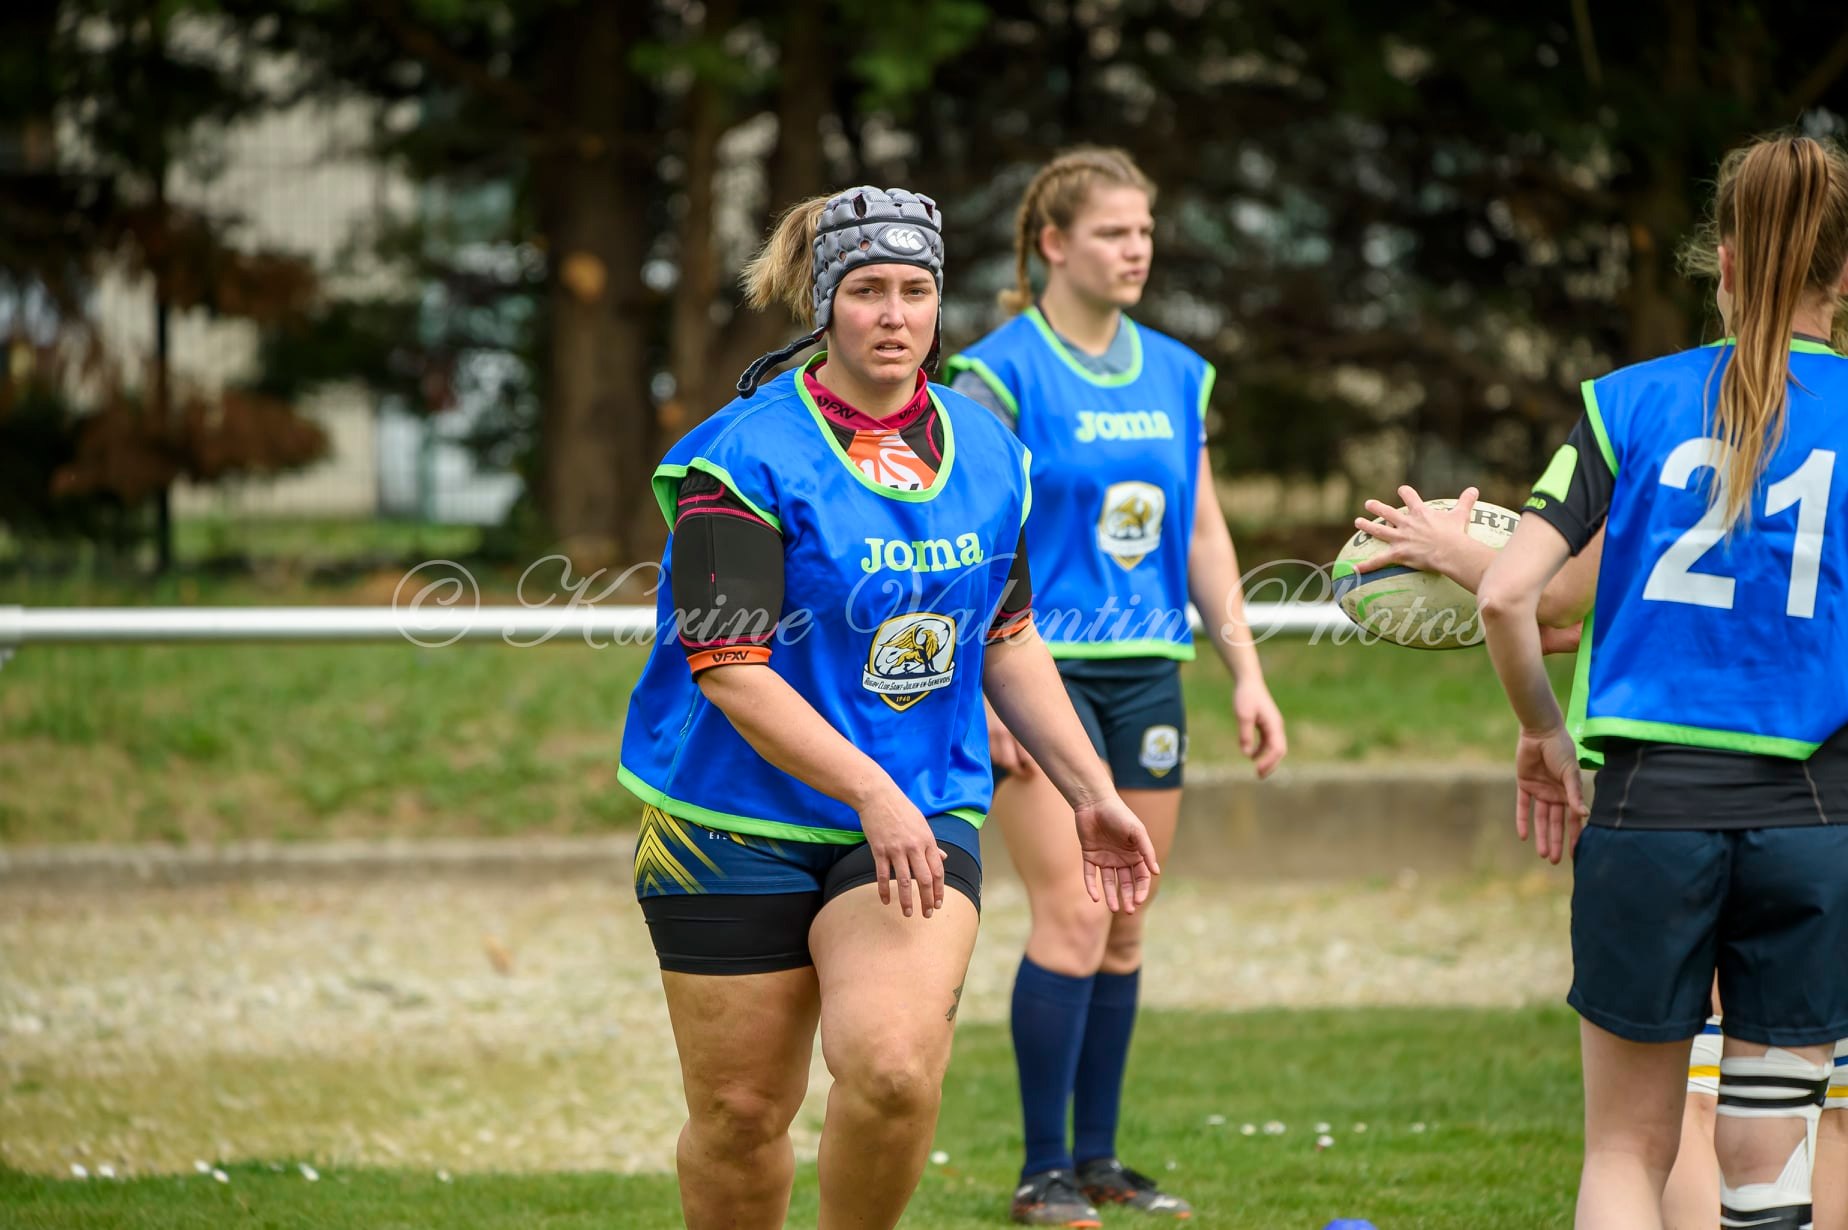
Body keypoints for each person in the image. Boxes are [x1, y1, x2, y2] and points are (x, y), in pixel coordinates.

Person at [618, 185, 1162, 1230]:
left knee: (897, 1071)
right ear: (827, 305)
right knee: (740, 1113)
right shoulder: (741, 457)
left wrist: (1089, 788)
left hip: (910, 812)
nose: (895, 313)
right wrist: (869, 788)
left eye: (916, 289)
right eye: (867, 289)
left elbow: (1006, 638)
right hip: (729, 817)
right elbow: (728, 664)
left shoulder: (991, 452)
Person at [1476, 132, 1848, 1230]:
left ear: (1721, 262)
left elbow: (1507, 597)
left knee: (1628, 1154)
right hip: (1817, 815)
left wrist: (1543, 732)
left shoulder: (1627, 403)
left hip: (1646, 811)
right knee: (1770, 1153)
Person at [945, 146, 1287, 1225]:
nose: (1135, 249)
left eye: (1144, 231)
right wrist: (980, 695)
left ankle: (1099, 1161)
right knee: (1070, 918)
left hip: (1149, 678)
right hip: (1041, 683)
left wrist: (1246, 668)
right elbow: (963, 538)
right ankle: (1041, 1170)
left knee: (1128, 922)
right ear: (1052, 243)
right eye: (1111, 231)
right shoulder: (997, 374)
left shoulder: (1179, 371)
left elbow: (1202, 526)